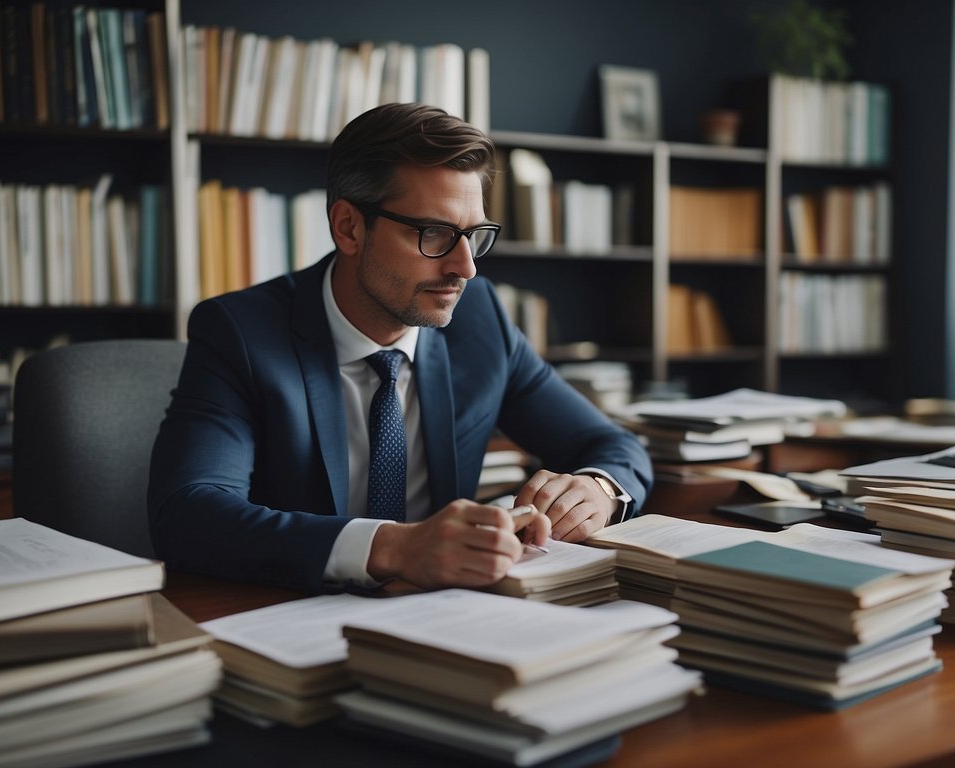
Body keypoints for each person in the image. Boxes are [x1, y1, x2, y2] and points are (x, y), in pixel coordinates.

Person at [148, 103, 652, 595]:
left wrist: (597, 489)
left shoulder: (481, 320)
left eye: (473, 236)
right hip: (293, 617)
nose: (465, 268)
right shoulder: (240, 332)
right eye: (434, 233)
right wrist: (392, 547)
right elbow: (189, 512)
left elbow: (614, 447)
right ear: (349, 227)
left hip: (451, 615)